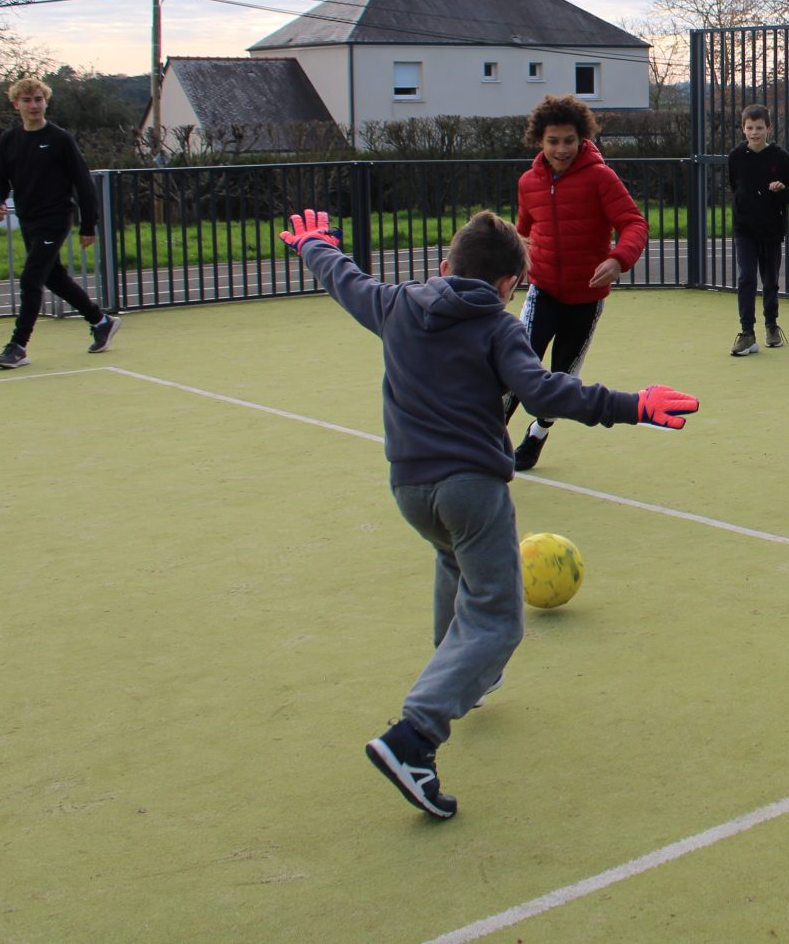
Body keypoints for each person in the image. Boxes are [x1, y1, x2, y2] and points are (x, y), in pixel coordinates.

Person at [279, 206, 697, 820]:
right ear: (510, 286)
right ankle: (413, 738)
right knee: (499, 621)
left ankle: (457, 674)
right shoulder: (500, 328)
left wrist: (314, 245)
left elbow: (344, 278)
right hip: (472, 488)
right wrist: (632, 404)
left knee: (452, 559)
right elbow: (547, 391)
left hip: (410, 489)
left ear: (444, 266)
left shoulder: (397, 303)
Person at [510, 94, 648, 471]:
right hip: (543, 292)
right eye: (553, 141)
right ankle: (487, 444)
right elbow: (523, 232)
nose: (561, 148)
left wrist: (618, 259)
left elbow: (634, 223)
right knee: (514, 368)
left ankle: (536, 436)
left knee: (560, 382)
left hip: (585, 300)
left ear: (582, 138)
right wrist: (513, 266)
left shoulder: (600, 177)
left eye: (569, 140)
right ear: (539, 140)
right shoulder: (528, 183)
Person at [0, 75, 119, 368]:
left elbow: (83, 184)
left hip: (56, 218)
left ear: (46, 101)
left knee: (31, 278)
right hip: (29, 220)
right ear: (15, 104)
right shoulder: (9, 141)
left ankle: (17, 346)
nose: (34, 105)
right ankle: (100, 320)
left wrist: (88, 225)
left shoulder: (60, 140)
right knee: (53, 276)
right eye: (27, 100)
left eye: (38, 99)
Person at [726, 103, 789, 356]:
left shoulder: (780, 158)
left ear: (768, 128)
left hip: (771, 230)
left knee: (770, 281)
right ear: (743, 128)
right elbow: (734, 187)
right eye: (750, 128)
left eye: (759, 127)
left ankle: (772, 326)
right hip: (744, 229)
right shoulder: (735, 156)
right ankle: (747, 333)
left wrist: (782, 190)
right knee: (746, 278)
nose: (755, 132)